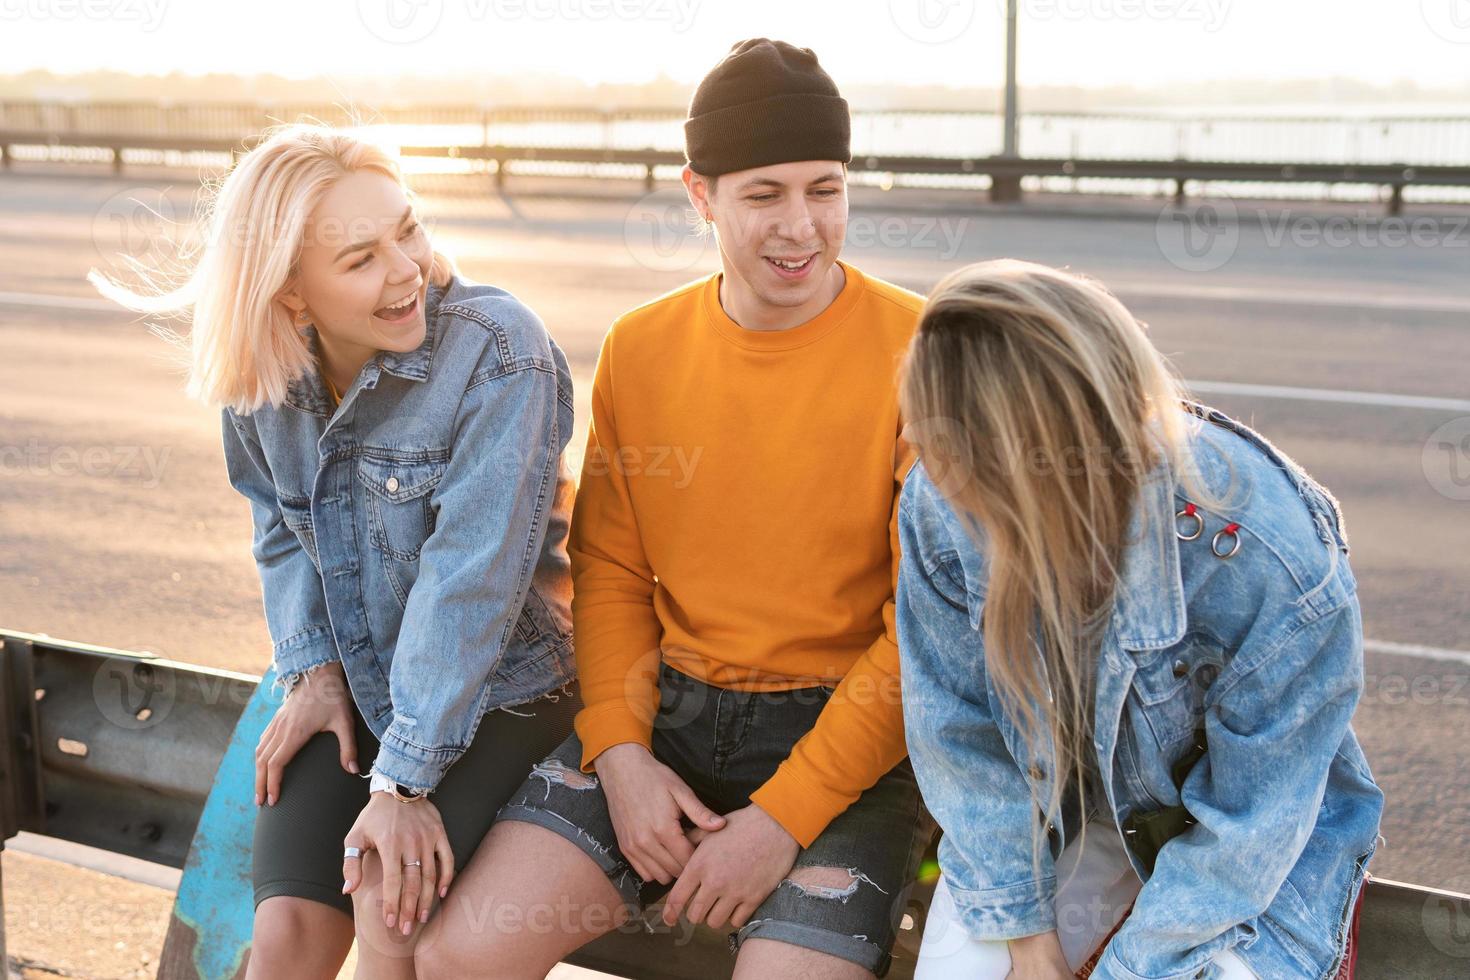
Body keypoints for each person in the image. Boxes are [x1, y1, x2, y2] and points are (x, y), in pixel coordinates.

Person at [415, 38, 936, 980]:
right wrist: (619, 754)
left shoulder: (923, 353)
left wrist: (785, 820)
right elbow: (610, 571)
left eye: (826, 188)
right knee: (459, 956)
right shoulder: (643, 347)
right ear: (701, 195)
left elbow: (928, 630)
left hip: (847, 742)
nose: (802, 226)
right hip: (670, 717)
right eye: (764, 194)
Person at [90, 124, 582, 979]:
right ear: (289, 294)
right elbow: (279, 529)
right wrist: (313, 671)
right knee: (280, 940)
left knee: (384, 911)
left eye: (410, 227)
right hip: (360, 680)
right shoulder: (266, 376)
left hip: (506, 687)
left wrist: (401, 787)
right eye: (360, 259)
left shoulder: (502, 352)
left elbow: (471, 586)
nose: (408, 269)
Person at [894, 259, 1383, 979]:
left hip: (1246, 856)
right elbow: (959, 738)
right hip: (1066, 809)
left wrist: (1125, 969)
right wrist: (1030, 947)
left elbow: (1250, 830)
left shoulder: (1267, 561)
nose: (927, 468)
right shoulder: (942, 502)